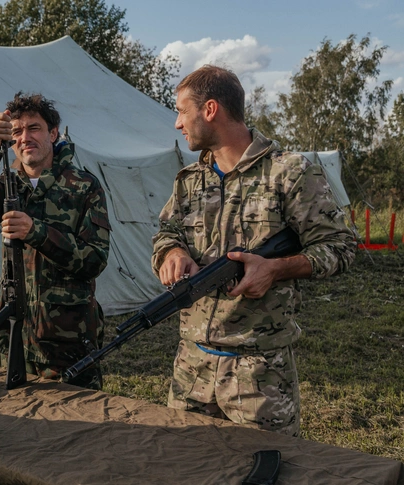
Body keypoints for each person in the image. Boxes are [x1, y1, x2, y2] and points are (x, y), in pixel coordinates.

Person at [151, 65, 356, 436]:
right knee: (182, 468)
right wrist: (171, 253)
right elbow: (166, 232)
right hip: (191, 368)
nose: (178, 123)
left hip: (259, 375)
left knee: (262, 470)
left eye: (182, 111)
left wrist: (275, 269)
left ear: (210, 109)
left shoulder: (288, 174)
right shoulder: (189, 180)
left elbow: (340, 247)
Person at [0, 92, 111, 390]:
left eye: (34, 128)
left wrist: (36, 232)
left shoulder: (84, 186)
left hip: (67, 340)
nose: (25, 137)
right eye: (17, 131)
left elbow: (94, 260)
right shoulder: (8, 185)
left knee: (79, 426)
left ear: (53, 133)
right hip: (16, 333)